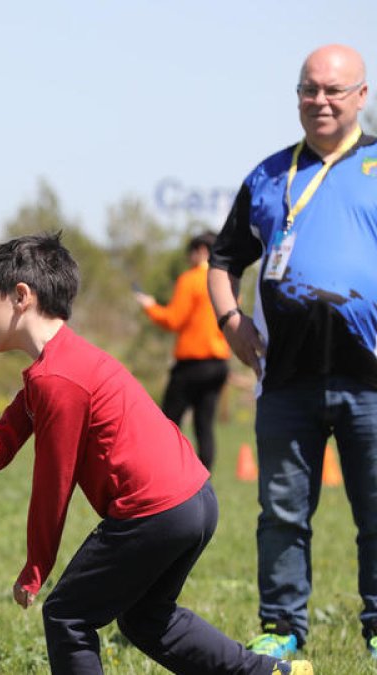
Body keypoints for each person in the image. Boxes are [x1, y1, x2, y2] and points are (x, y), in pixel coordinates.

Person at [0, 234, 310, 675]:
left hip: (154, 512)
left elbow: (54, 483)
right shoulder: (59, 363)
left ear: (20, 297)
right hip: (194, 500)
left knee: (67, 615)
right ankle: (271, 673)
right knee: (146, 618)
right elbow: (9, 430)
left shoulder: (58, 378)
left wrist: (37, 566)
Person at [208, 43, 377, 659]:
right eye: (309, 89)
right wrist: (230, 320)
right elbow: (223, 260)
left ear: (362, 95)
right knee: (281, 514)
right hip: (286, 381)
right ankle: (281, 629)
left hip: (372, 384)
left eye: (334, 90)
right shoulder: (269, 175)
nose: (320, 101)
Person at [133, 232, 231, 470]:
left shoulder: (191, 279)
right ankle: (204, 477)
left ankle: (164, 472)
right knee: (204, 425)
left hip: (192, 363)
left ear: (200, 251)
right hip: (218, 363)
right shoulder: (226, 280)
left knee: (169, 422)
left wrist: (151, 307)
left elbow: (174, 320)